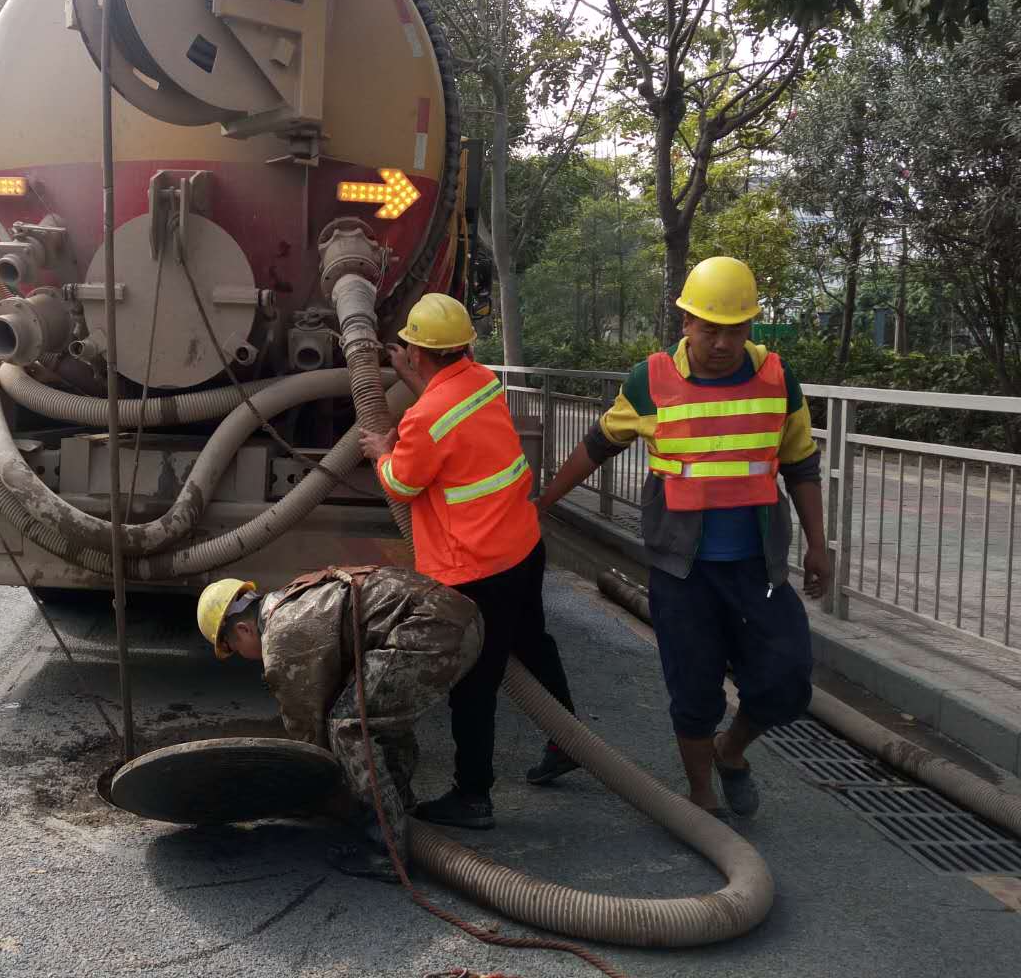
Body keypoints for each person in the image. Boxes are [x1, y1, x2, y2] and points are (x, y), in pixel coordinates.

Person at [534, 255, 833, 818]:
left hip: (757, 569)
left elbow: (801, 465)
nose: (722, 342)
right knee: (693, 690)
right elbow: (601, 442)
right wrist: (545, 502)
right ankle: (701, 797)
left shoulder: (777, 378)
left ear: (751, 328)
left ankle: (731, 752)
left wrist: (818, 544)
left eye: (736, 329)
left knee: (787, 682)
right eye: (710, 328)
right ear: (686, 323)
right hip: (682, 570)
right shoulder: (651, 380)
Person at [356, 292, 578, 833]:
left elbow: (403, 483)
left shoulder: (425, 417)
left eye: (407, 349)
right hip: (522, 547)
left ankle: (474, 796)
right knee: (533, 644)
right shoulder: (480, 381)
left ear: (416, 353)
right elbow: (444, 413)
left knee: (473, 685)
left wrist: (380, 451)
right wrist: (411, 377)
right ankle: (566, 738)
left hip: (476, 570)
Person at [196, 567, 482, 881]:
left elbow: (308, 730)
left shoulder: (281, 635)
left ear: (243, 630)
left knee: (349, 726)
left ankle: (386, 851)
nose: (243, 656)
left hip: (433, 631)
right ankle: (398, 807)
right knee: (377, 714)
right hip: (461, 617)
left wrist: (309, 792)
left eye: (234, 649)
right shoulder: (293, 596)